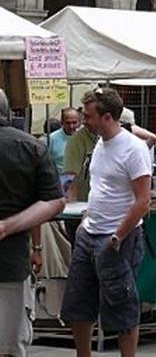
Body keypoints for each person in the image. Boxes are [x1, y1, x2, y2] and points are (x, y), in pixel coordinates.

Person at [60, 87, 152, 357]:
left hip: (117, 237)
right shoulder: (100, 142)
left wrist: (117, 236)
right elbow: (101, 186)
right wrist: (88, 217)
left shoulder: (133, 149)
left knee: (122, 307)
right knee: (78, 304)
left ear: (108, 117)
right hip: (90, 232)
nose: (83, 121)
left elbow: (143, 201)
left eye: (88, 116)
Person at [0, 89, 65, 357]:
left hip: (12, 259)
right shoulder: (32, 146)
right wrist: (8, 226)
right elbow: (53, 201)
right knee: (9, 343)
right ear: (8, 112)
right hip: (10, 262)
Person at [48, 106, 79, 175]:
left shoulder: (83, 137)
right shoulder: (52, 139)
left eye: (74, 123)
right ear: (62, 122)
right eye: (67, 123)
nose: (71, 126)